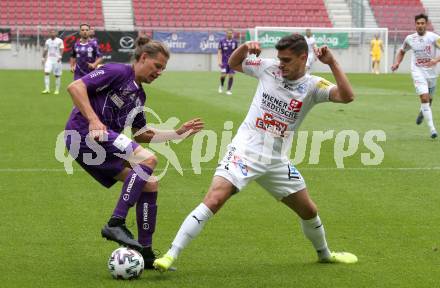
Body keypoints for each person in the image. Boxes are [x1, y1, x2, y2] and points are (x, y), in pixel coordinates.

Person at [153, 34, 357, 272]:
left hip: (275, 160)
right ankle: (170, 255)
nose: (281, 64)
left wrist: (332, 63)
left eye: (287, 59)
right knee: (215, 198)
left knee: (309, 210)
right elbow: (233, 63)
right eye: (279, 58)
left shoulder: (313, 86)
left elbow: (347, 96)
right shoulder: (268, 68)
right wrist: (245, 47)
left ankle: (325, 254)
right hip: (244, 151)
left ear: (304, 57)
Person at [64, 36, 204, 269]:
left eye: (163, 69)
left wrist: (178, 133)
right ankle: (116, 222)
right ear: (143, 58)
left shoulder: (140, 96)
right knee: (148, 159)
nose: (159, 72)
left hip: (101, 143)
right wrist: (92, 119)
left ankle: (146, 253)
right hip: (82, 134)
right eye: (157, 66)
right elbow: (75, 86)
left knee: (149, 183)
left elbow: (141, 134)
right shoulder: (117, 71)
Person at [391, 13, 440, 139]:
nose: (420, 25)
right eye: (418, 23)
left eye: (422, 23)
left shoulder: (434, 38)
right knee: (424, 98)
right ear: (415, 25)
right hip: (418, 72)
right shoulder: (410, 39)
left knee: (429, 99)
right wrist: (397, 63)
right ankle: (432, 129)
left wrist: (435, 60)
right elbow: (402, 51)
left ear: (426, 24)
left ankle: (422, 111)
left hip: (432, 73)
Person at [41, 29, 64, 95]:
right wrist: (43, 58)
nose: (52, 34)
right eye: (51, 32)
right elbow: (45, 50)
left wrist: (60, 56)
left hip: (57, 60)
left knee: (57, 75)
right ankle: (47, 89)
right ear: (49, 33)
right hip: (49, 60)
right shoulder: (47, 41)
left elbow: (62, 49)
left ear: (56, 33)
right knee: (46, 72)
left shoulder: (60, 41)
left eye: (53, 32)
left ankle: (57, 90)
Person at [217, 29, 238, 95]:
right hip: (224, 61)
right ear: (226, 34)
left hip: (232, 62)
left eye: (231, 33)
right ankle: (221, 85)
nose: (230, 34)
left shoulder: (235, 42)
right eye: (228, 33)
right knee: (223, 75)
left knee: (231, 75)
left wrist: (237, 61)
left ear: (232, 34)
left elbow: (237, 52)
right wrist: (219, 61)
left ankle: (228, 90)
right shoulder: (222, 41)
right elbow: (219, 52)